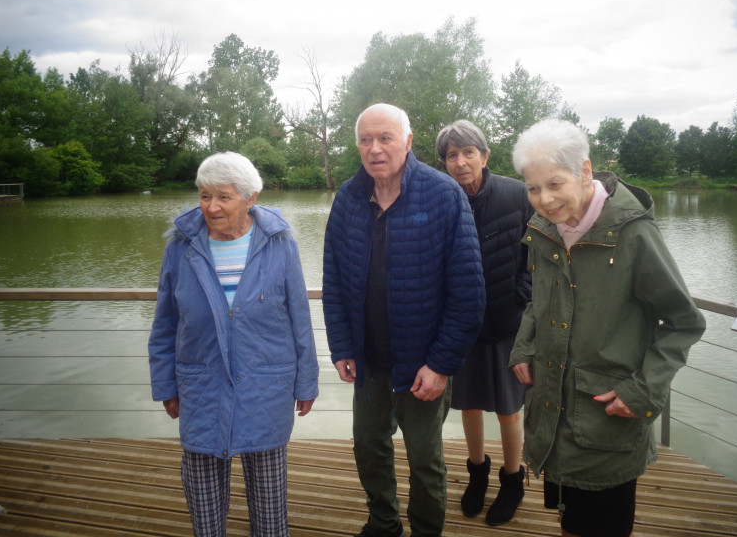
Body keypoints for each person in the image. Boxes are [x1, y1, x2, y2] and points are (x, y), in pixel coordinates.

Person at [508, 119, 705, 537]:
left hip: (604, 421)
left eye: (554, 183)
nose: (543, 199)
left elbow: (683, 322)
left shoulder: (634, 234)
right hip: (553, 414)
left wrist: (643, 392)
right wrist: (525, 346)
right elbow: (539, 299)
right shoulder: (545, 230)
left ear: (584, 171)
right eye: (532, 188)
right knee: (569, 520)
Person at [323, 103, 485, 537]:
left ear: (408, 142)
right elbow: (334, 280)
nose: (375, 149)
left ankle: (427, 530)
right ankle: (383, 522)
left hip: (423, 364)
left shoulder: (443, 195)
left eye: (385, 138)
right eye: (365, 140)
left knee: (425, 462)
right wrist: (341, 347)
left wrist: (441, 365)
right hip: (367, 360)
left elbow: (468, 295)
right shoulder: (348, 199)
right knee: (369, 450)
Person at [148, 151, 319, 537]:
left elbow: (299, 318)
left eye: (223, 196)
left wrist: (306, 381)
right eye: (205, 195)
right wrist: (166, 386)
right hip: (201, 386)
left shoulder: (280, 245)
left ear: (250, 198)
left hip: (268, 385)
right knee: (205, 508)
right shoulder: (180, 247)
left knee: (270, 507)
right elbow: (165, 325)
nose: (211, 206)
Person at [435, 120, 533, 526]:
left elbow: (539, 254)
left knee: (509, 409)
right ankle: (477, 472)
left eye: (468, 152)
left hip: (508, 322)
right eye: (451, 155)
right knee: (470, 404)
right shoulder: (441, 198)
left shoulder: (517, 193)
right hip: (461, 324)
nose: (460, 162)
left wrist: (521, 295)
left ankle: (513, 479)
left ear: (485, 155)